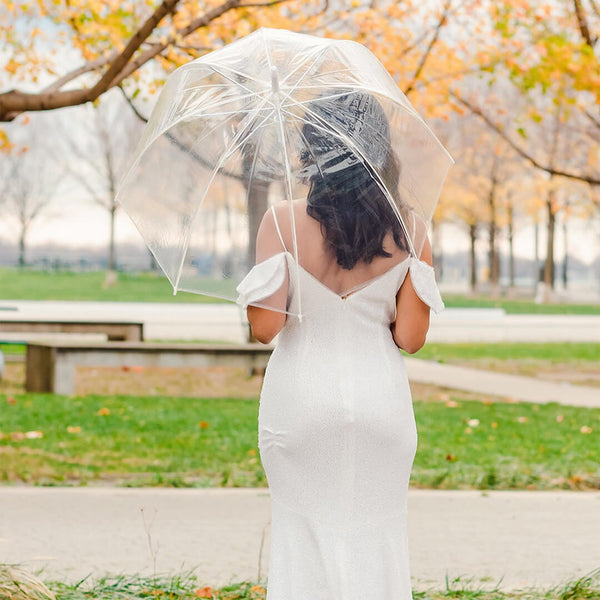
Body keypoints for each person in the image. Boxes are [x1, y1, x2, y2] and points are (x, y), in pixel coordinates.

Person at [236, 91, 444, 600]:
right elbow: (411, 338)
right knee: (378, 539)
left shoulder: (281, 221)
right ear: (379, 148)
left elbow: (265, 328)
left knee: (302, 538)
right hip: (381, 407)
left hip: (300, 406)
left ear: (311, 148)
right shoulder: (411, 228)